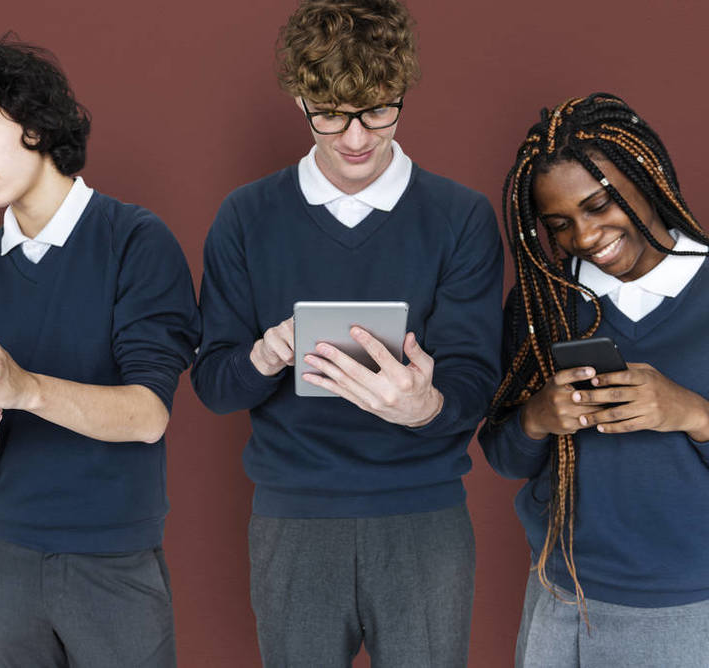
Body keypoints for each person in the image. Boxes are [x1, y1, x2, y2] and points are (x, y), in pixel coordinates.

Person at [190, 0, 503, 665]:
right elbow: (215, 386)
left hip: (423, 520)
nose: (356, 139)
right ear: (301, 101)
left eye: (378, 110)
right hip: (294, 521)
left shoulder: (460, 217)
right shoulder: (246, 217)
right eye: (330, 115)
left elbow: (478, 376)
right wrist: (264, 355)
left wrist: (428, 405)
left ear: (402, 95)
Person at [0, 38, 200, 667]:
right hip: (1, 556)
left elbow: (149, 414)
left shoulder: (136, 241)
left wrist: (24, 388)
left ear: (36, 121)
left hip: (111, 560)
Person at [479, 92, 709, 667]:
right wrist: (535, 418)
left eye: (599, 205)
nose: (584, 238)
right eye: (559, 225)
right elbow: (506, 458)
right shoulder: (543, 304)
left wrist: (693, 413)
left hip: (684, 605)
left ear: (646, 177)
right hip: (558, 595)